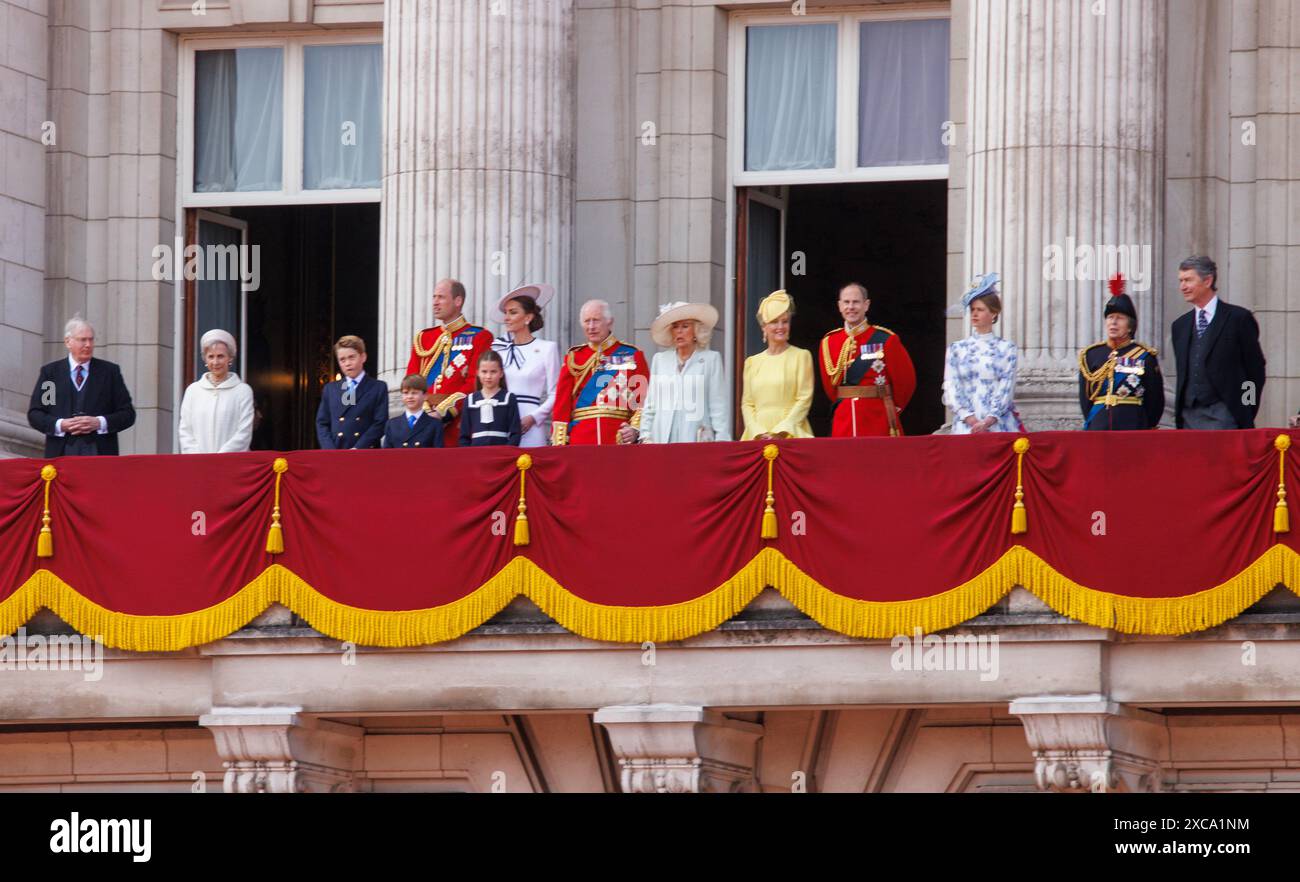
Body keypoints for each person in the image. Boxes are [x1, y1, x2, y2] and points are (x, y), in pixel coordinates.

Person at [1171, 255, 1267, 430]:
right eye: (1181, 281)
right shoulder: (1180, 326)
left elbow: (1255, 371)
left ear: (1207, 280)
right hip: (1188, 418)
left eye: (1188, 280)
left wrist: (1246, 408)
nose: (1182, 286)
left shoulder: (1239, 319)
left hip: (1226, 416)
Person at [27, 317, 136, 457]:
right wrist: (61, 425)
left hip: (100, 453)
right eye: (82, 340)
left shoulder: (109, 373)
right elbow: (37, 413)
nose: (88, 345)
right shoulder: (52, 375)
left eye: (91, 339)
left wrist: (99, 423)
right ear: (68, 342)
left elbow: (127, 414)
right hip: (61, 452)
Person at [817, 283, 916, 437]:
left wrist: (889, 408)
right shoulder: (829, 342)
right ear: (839, 306)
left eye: (856, 302)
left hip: (878, 418)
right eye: (846, 302)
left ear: (866, 305)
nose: (851, 307)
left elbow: (906, 381)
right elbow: (830, 388)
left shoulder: (886, 339)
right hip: (844, 420)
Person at [407, 278, 494, 447]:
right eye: (434, 297)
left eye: (441, 297)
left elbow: (475, 382)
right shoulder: (424, 338)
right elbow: (412, 380)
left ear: (458, 301)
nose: (435, 302)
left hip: (459, 423)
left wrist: (443, 411)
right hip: (423, 421)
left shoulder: (479, 336)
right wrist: (424, 410)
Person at [550, 299, 649, 446]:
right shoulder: (574, 357)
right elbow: (562, 405)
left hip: (617, 437)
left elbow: (643, 399)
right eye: (586, 321)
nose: (591, 327)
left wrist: (634, 428)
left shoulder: (631, 354)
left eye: (596, 320)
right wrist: (560, 443)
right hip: (580, 439)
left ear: (610, 322)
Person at [1077, 275, 1164, 431]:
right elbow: (1086, 400)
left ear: (1130, 326)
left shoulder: (1145, 356)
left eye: (1120, 318)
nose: (1113, 322)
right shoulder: (1090, 355)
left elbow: (1155, 400)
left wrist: (1144, 423)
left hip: (1132, 424)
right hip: (1099, 425)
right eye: (1110, 317)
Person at [942, 274, 1024, 434]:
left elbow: (1006, 386)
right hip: (966, 426)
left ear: (993, 314)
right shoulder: (957, 349)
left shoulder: (1006, 348)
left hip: (998, 425)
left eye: (980, 310)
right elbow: (951, 385)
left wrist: (988, 421)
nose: (974, 314)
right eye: (972, 309)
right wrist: (970, 419)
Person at [639, 301, 731, 443]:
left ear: (696, 330)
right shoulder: (660, 360)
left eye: (685, 326)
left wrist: (722, 440)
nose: (679, 331)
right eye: (675, 327)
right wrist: (645, 435)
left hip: (697, 438)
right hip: (662, 438)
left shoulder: (711, 359)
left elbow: (717, 405)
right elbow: (651, 404)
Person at [492, 284, 560, 447]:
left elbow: (556, 393)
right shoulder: (498, 349)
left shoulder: (547, 348)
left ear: (528, 317)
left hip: (531, 424)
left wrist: (534, 417)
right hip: (501, 421)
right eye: (506, 313)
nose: (507, 318)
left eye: (513, 312)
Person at [740, 290, 814, 441]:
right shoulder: (752, 362)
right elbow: (747, 404)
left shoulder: (802, 356)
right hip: (757, 436)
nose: (780, 326)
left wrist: (782, 431)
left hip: (791, 433)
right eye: (774, 321)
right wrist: (758, 432)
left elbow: (804, 398)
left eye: (785, 321)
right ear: (764, 327)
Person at [177, 329, 254, 454]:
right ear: (205, 360)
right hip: (198, 465)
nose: (215, 362)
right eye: (211, 357)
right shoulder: (193, 391)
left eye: (220, 356)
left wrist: (220, 458)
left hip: (231, 464)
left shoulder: (243, 391)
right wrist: (199, 458)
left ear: (230, 358)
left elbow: (244, 432)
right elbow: (185, 430)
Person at [316, 335, 388, 449]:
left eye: (351, 357)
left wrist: (358, 449)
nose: (347, 363)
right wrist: (330, 451)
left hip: (366, 453)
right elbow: (322, 423)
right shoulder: (330, 389)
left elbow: (380, 423)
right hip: (336, 453)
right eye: (342, 360)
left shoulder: (378, 387)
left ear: (363, 357)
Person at [461, 350, 522, 447]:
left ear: (501, 373)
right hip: (476, 454)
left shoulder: (509, 398)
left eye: (493, 372)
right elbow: (464, 436)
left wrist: (506, 453)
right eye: (484, 372)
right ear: (477, 373)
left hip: (502, 454)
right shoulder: (469, 400)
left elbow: (515, 433)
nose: (488, 376)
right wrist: (470, 456)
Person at [382, 374, 445, 449]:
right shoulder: (392, 425)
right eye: (406, 393)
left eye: (414, 393)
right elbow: (386, 455)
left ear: (425, 396)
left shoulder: (434, 425)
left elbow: (438, 456)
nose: (410, 397)